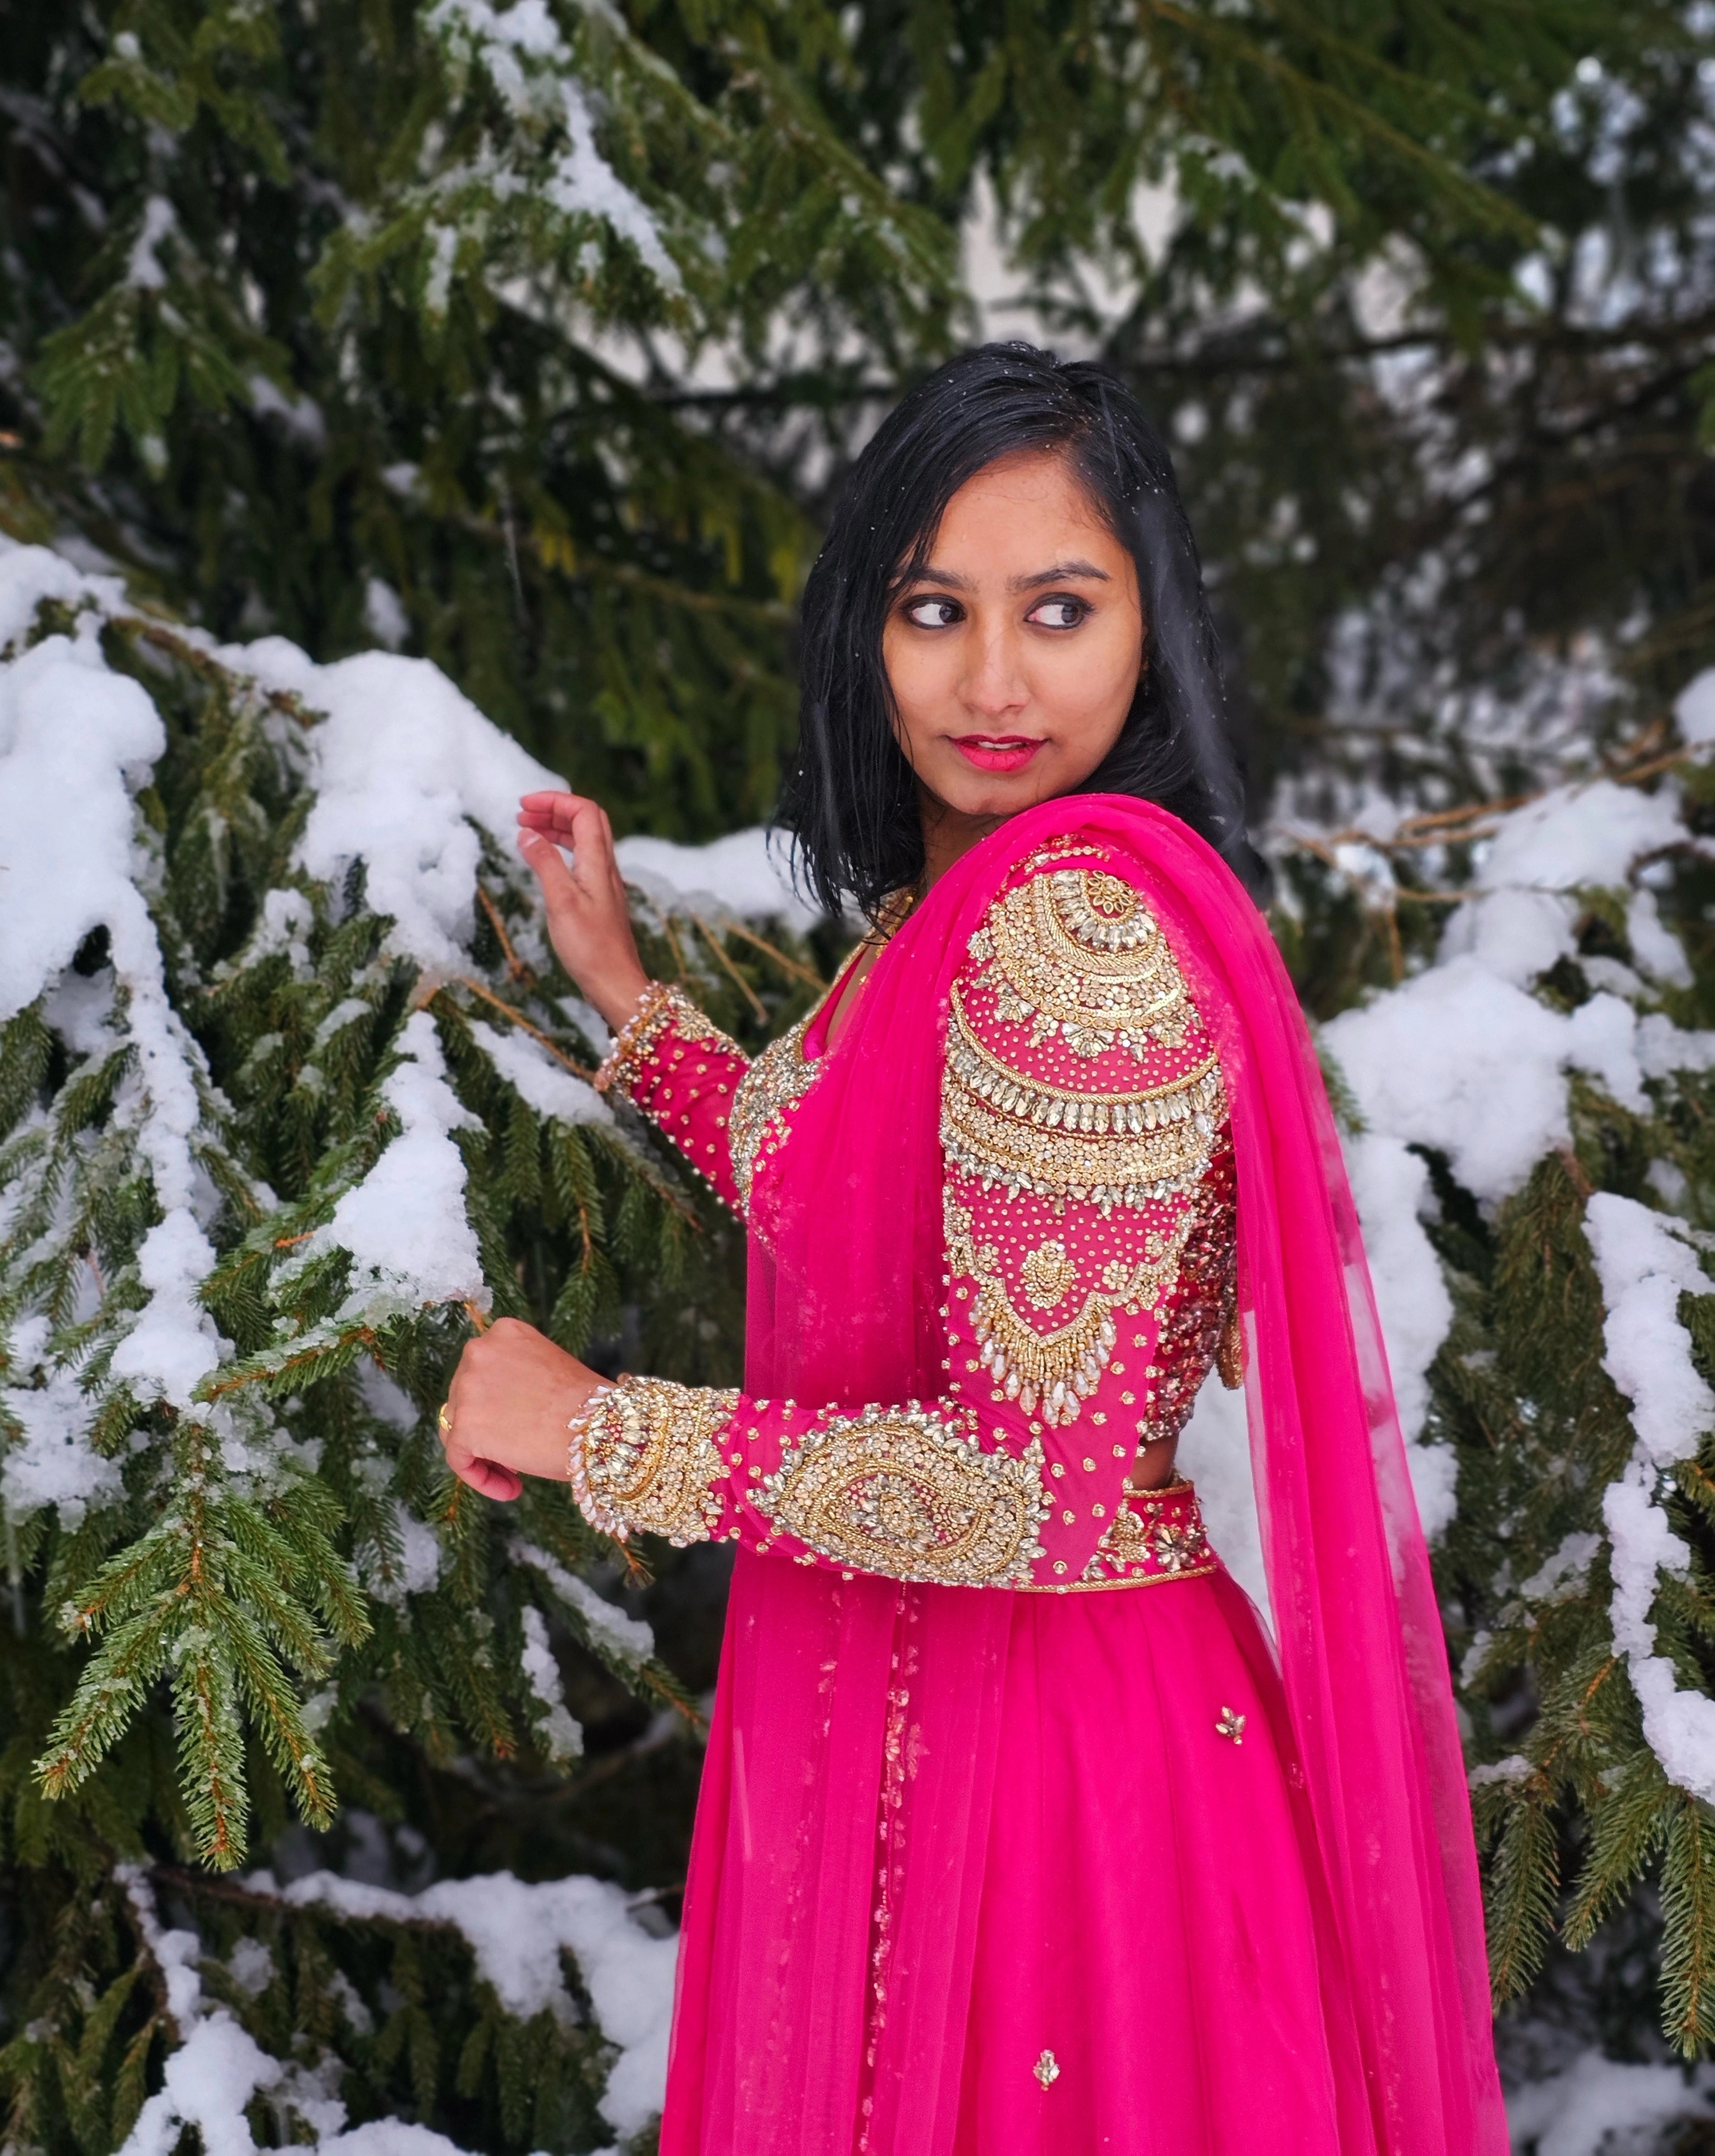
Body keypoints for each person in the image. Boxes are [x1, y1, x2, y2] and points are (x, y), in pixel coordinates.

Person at [437, 344, 1506, 2154]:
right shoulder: (986, 908)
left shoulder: (1074, 939)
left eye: (1059, 609)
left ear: (1144, 632)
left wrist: (597, 1427)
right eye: (935, 608)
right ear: (867, 623)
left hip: (1047, 1786)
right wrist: (627, 998)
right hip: (1009, 1726)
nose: (991, 679)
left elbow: (1022, 1493)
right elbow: (839, 1187)